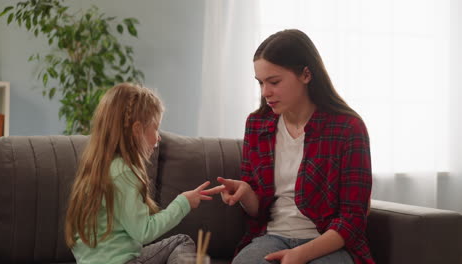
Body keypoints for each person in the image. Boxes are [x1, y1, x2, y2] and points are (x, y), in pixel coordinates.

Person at [203, 29, 374, 264]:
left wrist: (298, 255)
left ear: (305, 74)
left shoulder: (348, 128)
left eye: (274, 82)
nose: (265, 93)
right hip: (272, 236)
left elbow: (353, 219)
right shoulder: (257, 124)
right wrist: (246, 193)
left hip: (326, 241)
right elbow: (258, 211)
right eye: (261, 83)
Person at [65, 83, 213, 264]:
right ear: (137, 130)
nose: (159, 137)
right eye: (155, 127)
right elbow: (144, 231)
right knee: (181, 242)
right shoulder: (124, 172)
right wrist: (183, 203)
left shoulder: (98, 169)